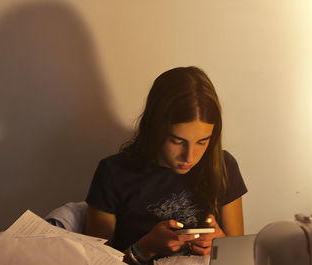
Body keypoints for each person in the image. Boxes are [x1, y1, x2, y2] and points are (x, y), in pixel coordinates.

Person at [84, 66, 247, 264]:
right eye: (178, 141)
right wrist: (144, 249)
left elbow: (240, 257)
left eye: (202, 142)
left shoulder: (223, 166)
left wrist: (221, 244)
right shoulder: (113, 173)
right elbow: (95, 262)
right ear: (156, 127)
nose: (190, 157)